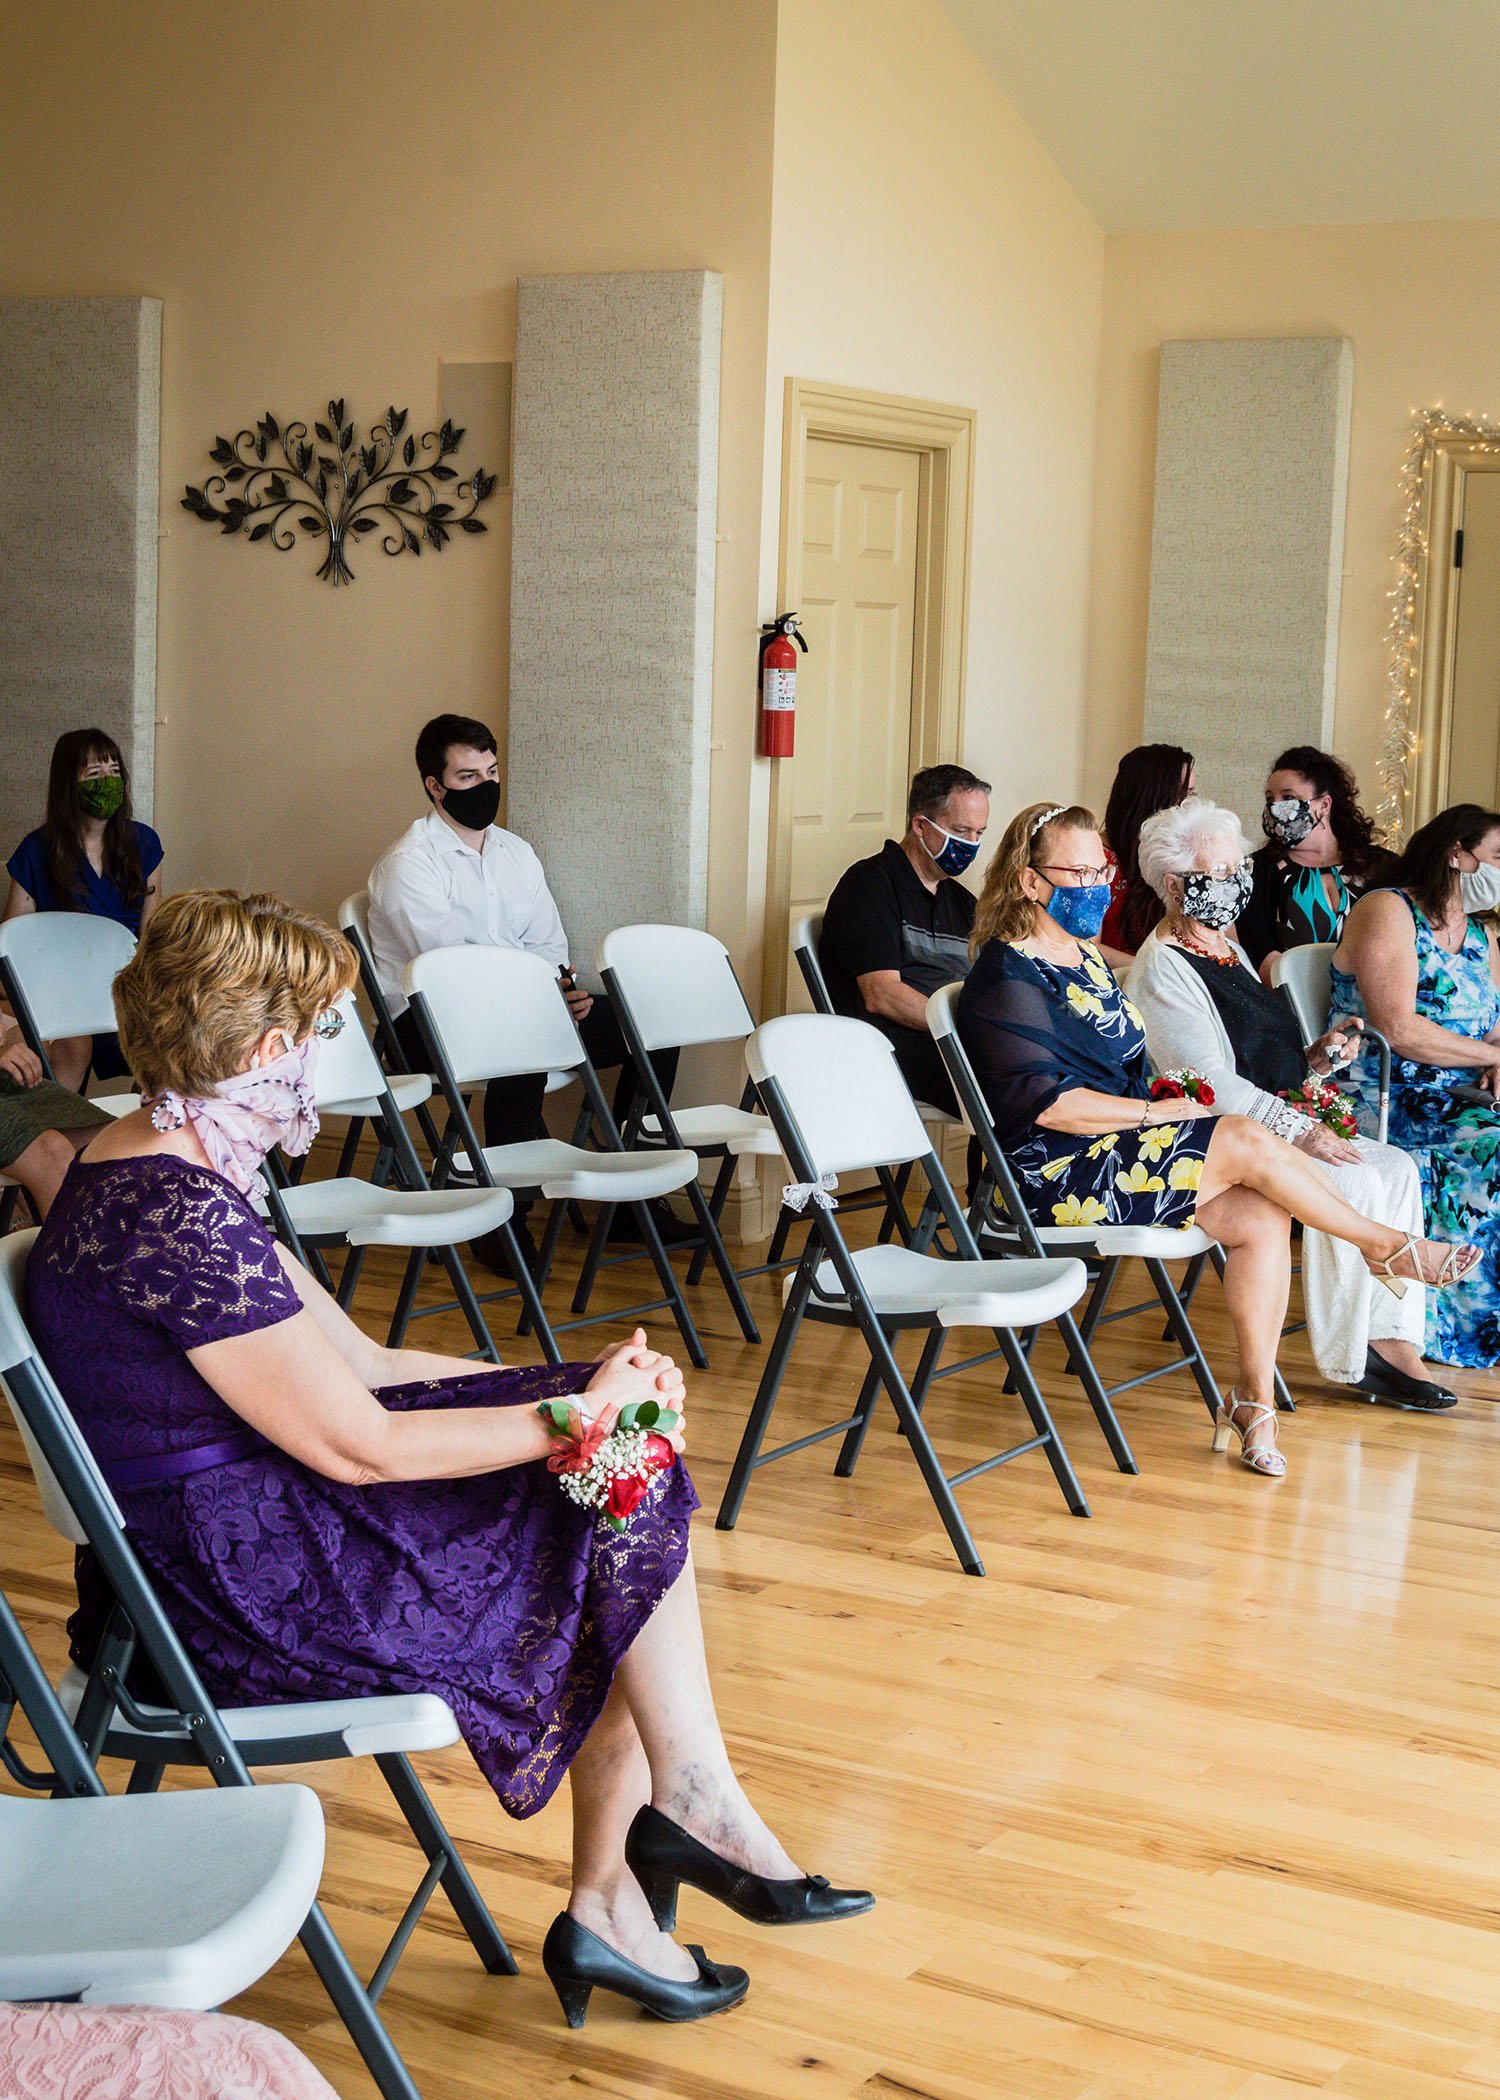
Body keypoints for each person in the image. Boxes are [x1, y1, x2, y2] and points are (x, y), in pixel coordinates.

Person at [28, 890, 872, 2027]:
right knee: (604, 1493)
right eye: (323, 1031)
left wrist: (579, 1390)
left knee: (619, 1467)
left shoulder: (162, 1164)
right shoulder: (173, 1216)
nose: (329, 1057)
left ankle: (657, 1845)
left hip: (247, 1525)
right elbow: (363, 1444)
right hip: (221, 1596)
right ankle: (635, 1874)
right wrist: (580, 1422)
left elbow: (368, 1363)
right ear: (271, 1048)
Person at [956, 802, 1479, 1479]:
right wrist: (1160, 1115)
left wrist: (1173, 1105)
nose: (1096, 885)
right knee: (1235, 1131)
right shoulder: (1007, 976)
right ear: (1030, 882)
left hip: (1119, 1153)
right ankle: (1383, 1246)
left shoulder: (1084, 960)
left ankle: (1252, 1401)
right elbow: (1052, 1106)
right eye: (1077, 871)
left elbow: (1128, 1067)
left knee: (1262, 1215)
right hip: (1055, 1174)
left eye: (1101, 869)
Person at [1126, 799, 1452, 1409]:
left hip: (1276, 1115)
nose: (1234, 883)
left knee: (1396, 1168)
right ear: (1175, 884)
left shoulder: (1224, 946)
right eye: (1217, 873)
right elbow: (1211, 1084)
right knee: (1354, 1183)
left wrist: (1319, 1057)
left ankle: (1393, 1339)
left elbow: (1257, 1053)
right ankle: (1355, 1356)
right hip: (1229, 1139)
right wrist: (1301, 1130)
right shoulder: (1162, 965)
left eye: (1234, 870)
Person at [367, 714, 684, 1270]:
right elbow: (452, 971)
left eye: (491, 772)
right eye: (467, 777)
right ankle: (502, 1221)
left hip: (522, 1009)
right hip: (426, 1025)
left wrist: (558, 991)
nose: (485, 786)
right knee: (521, 1047)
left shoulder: (516, 852)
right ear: (433, 786)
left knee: (651, 1026)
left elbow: (547, 942)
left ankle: (632, 1202)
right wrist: (539, 1001)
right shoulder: (407, 865)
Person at [1331, 803, 1500, 1370]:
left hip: (1461, 1095)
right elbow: (1398, 1029)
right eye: (1497, 858)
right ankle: (1460, 1329)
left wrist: (1496, 1056)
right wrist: (1492, 1056)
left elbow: (1495, 1024)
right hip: (1388, 1096)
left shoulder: (1480, 936)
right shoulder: (1388, 910)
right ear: (1458, 853)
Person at [819, 763, 990, 1117]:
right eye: (961, 830)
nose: (971, 844)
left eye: (979, 833)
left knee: (1043, 1073)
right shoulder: (869, 885)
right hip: (892, 1044)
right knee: (1014, 1088)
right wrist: (962, 1030)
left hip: (952, 1041)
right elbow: (882, 995)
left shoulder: (961, 901)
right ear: (919, 825)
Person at [4, 727, 164, 1092]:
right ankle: (60, 1131)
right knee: (73, 1043)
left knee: (177, 1036)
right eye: (94, 774)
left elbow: (151, 935)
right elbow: (11, 949)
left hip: (126, 988)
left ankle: (150, 1129)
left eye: (114, 771)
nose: (108, 782)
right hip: (61, 995)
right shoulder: (36, 851)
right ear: (68, 784)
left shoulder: (144, 843)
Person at [1239, 745, 1400, 983]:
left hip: (1371, 1004)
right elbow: (1260, 952)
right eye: (1270, 799)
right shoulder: (1256, 870)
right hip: (1294, 1007)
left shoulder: (1383, 866)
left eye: (1288, 798)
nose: (1275, 807)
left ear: (1324, 804)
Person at [1098, 742, 1195, 963]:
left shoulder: (1179, 856)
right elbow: (1085, 948)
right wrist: (1157, 972)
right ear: (1152, 796)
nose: (1189, 806)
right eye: (1183, 795)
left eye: (1192, 793)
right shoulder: (1095, 860)